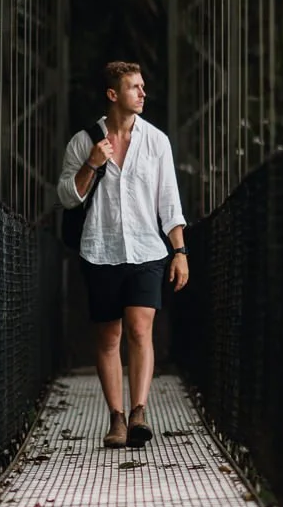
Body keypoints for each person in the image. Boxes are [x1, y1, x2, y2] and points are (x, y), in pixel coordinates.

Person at [58, 61, 189, 449]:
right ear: (113, 94)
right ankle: (115, 418)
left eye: (143, 86)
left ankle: (139, 412)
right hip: (100, 250)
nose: (143, 93)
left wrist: (179, 251)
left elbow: (170, 201)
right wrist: (92, 164)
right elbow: (67, 196)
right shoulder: (83, 143)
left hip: (148, 249)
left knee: (139, 328)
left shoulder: (156, 142)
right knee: (109, 336)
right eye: (135, 87)